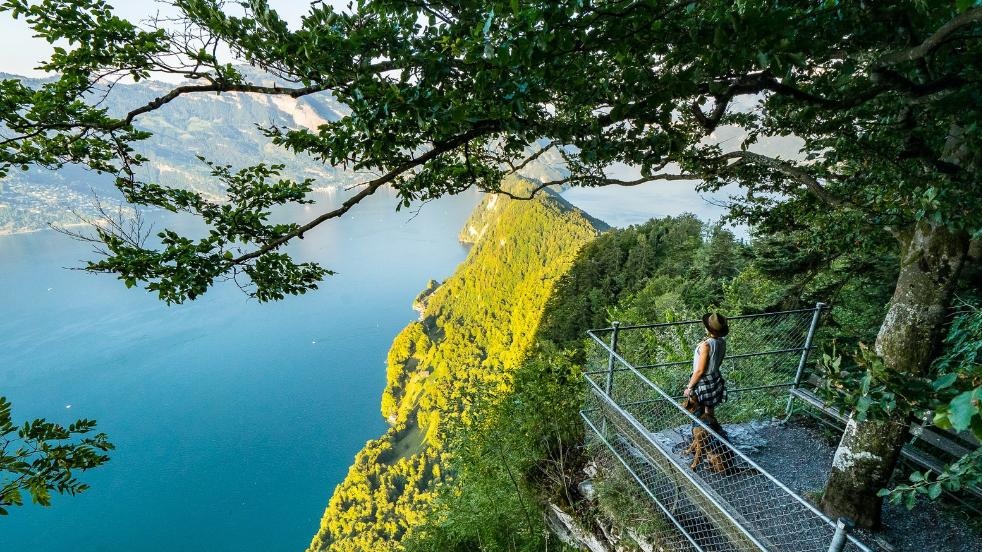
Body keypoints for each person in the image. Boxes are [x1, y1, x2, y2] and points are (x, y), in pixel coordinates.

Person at [683, 312, 729, 417]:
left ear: (709, 329)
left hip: (703, 381)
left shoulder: (706, 345)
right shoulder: (722, 342)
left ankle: (703, 432)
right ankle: (712, 430)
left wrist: (689, 387)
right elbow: (719, 361)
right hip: (715, 377)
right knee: (709, 410)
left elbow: (700, 370)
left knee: (698, 410)